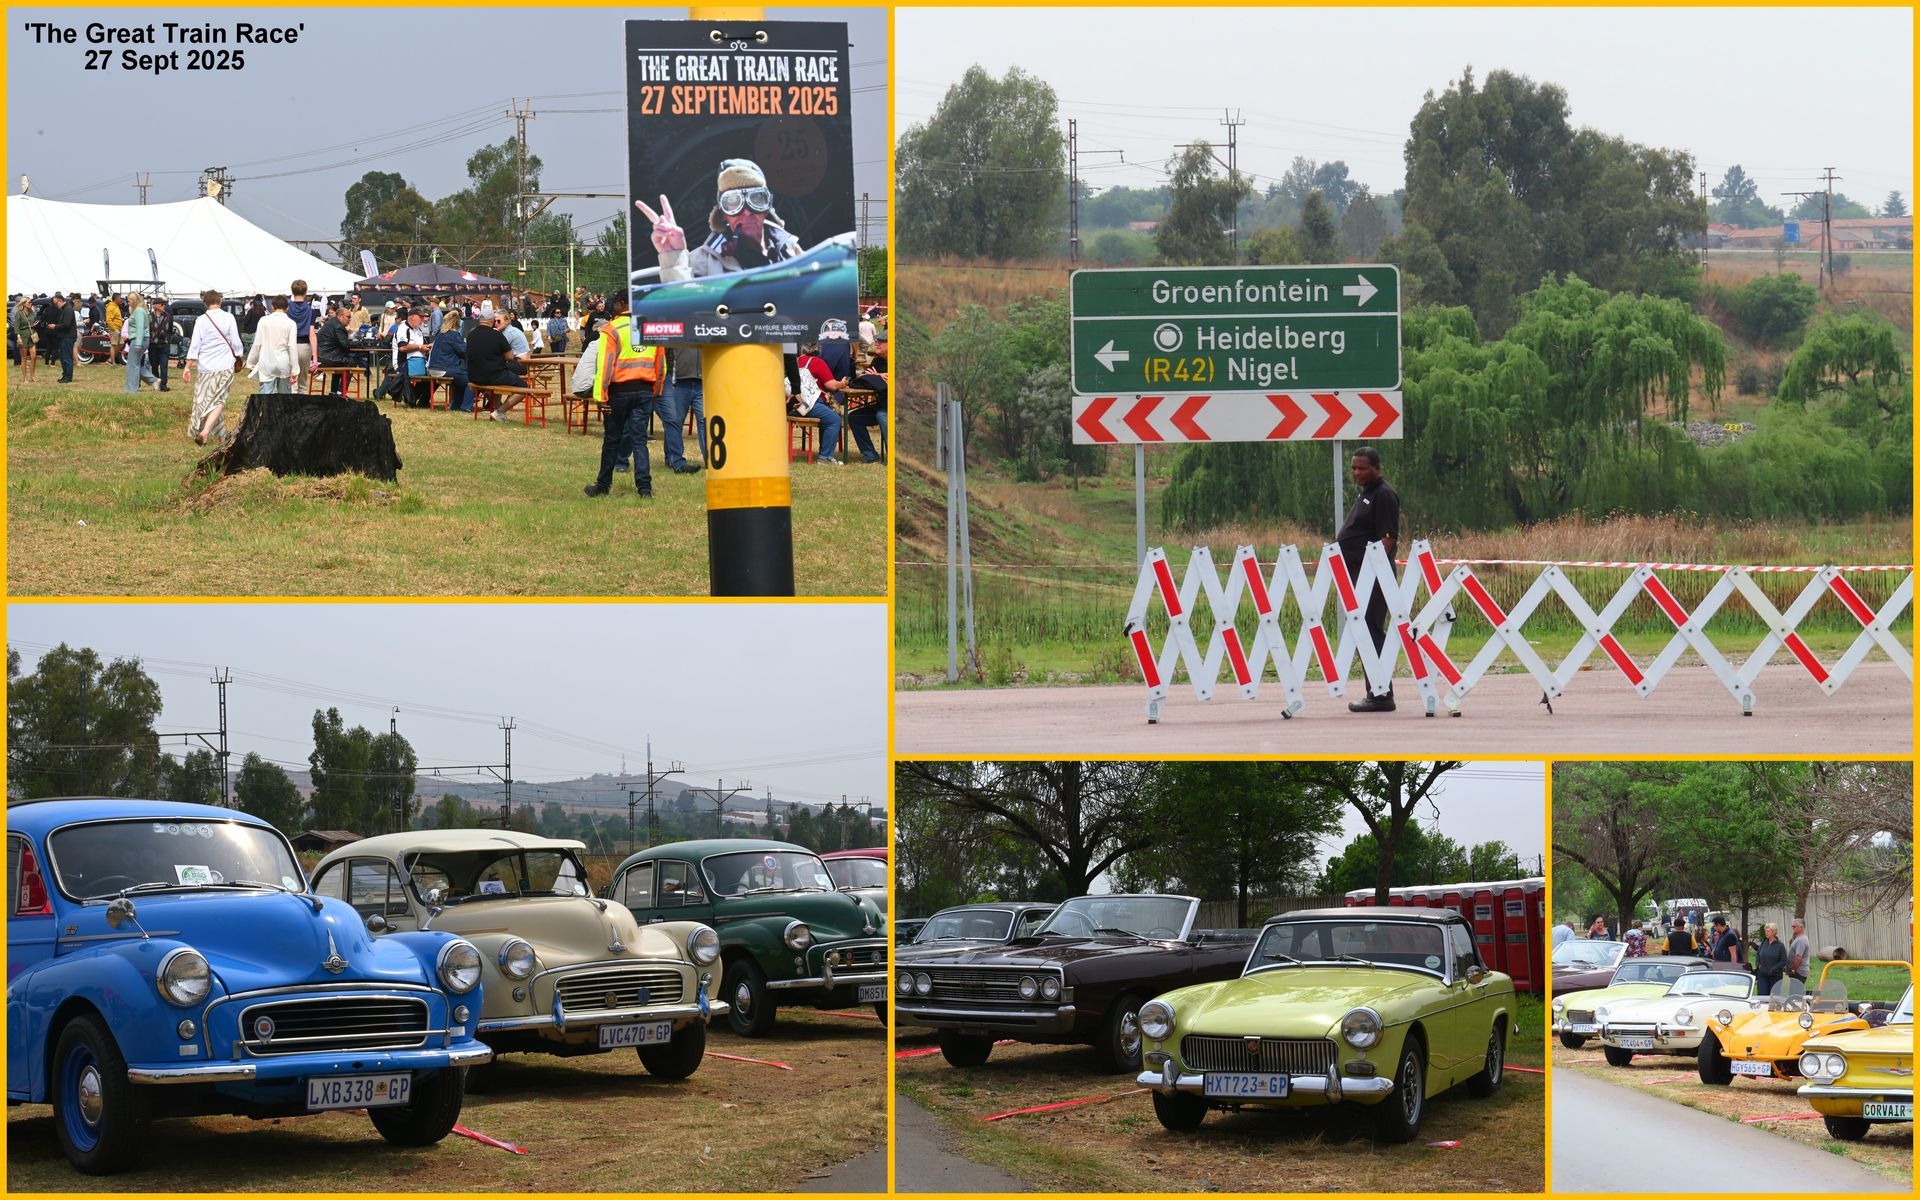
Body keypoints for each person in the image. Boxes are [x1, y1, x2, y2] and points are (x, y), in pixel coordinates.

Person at [636, 158, 802, 282]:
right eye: (733, 203)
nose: (746, 212)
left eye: (756, 200)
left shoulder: (791, 249)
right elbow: (682, 308)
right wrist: (674, 257)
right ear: (723, 214)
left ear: (766, 208)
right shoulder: (703, 261)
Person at [1337, 446, 1402, 712]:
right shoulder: (1367, 495)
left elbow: (1387, 538)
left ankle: (1381, 694)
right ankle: (1377, 691)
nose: (1357, 473)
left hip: (1374, 577)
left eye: (1362, 468)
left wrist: (1373, 572)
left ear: (1377, 467)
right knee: (1364, 631)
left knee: (1370, 631)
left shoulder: (1384, 495)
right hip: (1359, 575)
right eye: (1353, 468)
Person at [582, 294, 664, 499]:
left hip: (619, 392)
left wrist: (601, 396)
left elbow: (605, 364)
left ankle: (603, 486)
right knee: (639, 441)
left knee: (612, 440)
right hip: (645, 390)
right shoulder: (651, 326)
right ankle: (644, 488)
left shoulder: (612, 328)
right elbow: (661, 364)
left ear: (621, 304)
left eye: (615, 303)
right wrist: (657, 391)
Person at [183, 289, 244, 445]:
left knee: (208, 400)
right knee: (218, 401)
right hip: (225, 366)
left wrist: (188, 367)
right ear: (220, 302)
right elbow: (236, 341)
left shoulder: (201, 320)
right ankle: (205, 432)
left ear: (205, 304)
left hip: (205, 367)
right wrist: (239, 354)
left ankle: (221, 436)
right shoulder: (229, 317)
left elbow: (195, 345)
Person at [467, 305, 527, 420]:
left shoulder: (471, 334)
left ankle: (496, 409)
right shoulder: (497, 335)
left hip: (473, 376)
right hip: (493, 375)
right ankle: (499, 412)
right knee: (524, 387)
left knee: (497, 383)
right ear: (492, 321)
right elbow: (510, 357)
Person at [793, 340, 845, 465]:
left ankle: (824, 453)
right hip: (808, 404)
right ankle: (825, 457)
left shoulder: (795, 361)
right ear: (818, 350)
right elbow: (831, 385)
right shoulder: (817, 362)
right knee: (834, 420)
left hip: (793, 404)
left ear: (802, 349)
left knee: (827, 419)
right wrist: (843, 383)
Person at [659, 346, 707, 473]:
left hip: (702, 382)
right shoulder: (676, 327)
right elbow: (665, 351)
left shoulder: (705, 328)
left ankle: (710, 460)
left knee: (704, 421)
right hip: (678, 382)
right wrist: (670, 377)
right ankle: (672, 459)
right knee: (675, 421)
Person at [846, 340, 887, 463]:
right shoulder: (877, 361)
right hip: (882, 404)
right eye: (876, 341)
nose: (877, 343)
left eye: (881, 342)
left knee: (882, 415)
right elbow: (864, 378)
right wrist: (880, 376)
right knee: (854, 417)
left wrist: (878, 376)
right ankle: (870, 454)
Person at [426, 311, 470, 411]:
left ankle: (456, 406)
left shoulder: (439, 334)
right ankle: (466, 407)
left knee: (460, 380)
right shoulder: (454, 335)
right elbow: (464, 351)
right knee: (470, 380)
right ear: (458, 323)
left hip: (432, 368)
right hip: (444, 368)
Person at [315, 301, 362, 396]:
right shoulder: (338, 326)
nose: (350, 319)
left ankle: (334, 392)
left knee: (341, 363)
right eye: (348, 317)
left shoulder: (332, 322)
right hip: (328, 357)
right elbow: (345, 344)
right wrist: (360, 342)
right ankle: (341, 392)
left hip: (322, 355)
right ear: (340, 316)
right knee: (351, 362)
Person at [387, 307, 430, 405]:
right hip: (403, 363)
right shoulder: (403, 328)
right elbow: (402, 348)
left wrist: (428, 347)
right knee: (429, 377)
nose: (423, 320)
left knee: (435, 376)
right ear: (412, 317)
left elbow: (421, 346)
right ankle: (412, 397)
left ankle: (419, 399)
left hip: (418, 363)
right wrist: (420, 347)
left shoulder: (418, 330)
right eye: (420, 317)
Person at [120, 293, 162, 392]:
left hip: (139, 340)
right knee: (135, 365)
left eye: (129, 299)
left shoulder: (138, 311)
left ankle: (132, 390)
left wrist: (138, 343)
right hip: (140, 340)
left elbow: (140, 328)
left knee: (132, 366)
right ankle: (153, 381)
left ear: (134, 300)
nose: (128, 301)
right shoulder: (138, 310)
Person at [287, 279, 318, 393]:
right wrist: (315, 356)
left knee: (291, 381)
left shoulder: (287, 309)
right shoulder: (310, 310)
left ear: (292, 291)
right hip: (305, 346)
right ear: (305, 292)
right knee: (303, 383)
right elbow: (312, 334)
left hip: (290, 346)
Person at [38, 293, 77, 383]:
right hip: (64, 336)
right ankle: (65, 375)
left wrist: (55, 326)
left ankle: (68, 377)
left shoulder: (68, 309)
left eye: (56, 304)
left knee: (67, 357)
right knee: (63, 357)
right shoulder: (65, 309)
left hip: (68, 336)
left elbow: (66, 324)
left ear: (60, 301)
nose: (55, 306)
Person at [1753, 923, 1787, 998]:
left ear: (1774, 932)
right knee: (1762, 994)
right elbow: (1758, 955)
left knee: (1774, 997)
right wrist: (1758, 965)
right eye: (1765, 931)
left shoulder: (1780, 946)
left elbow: (1783, 961)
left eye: (1768, 931)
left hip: (1775, 975)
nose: (1766, 933)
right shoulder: (1764, 943)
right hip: (1762, 974)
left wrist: (1773, 969)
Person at [13, 292, 39, 381]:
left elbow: (32, 322)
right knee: (24, 358)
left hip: (32, 335)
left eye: (31, 302)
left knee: (34, 357)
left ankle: (32, 377)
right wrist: (18, 337)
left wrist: (34, 325)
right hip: (23, 336)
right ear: (24, 304)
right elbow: (16, 326)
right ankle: (24, 378)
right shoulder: (19, 313)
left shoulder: (32, 312)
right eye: (29, 302)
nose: (31, 304)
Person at [148, 298, 172, 391]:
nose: (164, 306)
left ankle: (163, 385)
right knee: (154, 365)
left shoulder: (168, 317)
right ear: (156, 305)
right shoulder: (149, 316)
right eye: (162, 304)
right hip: (153, 345)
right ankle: (156, 384)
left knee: (164, 365)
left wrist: (167, 340)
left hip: (164, 345)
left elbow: (170, 330)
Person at [1786, 917, 1811, 984]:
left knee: (1795, 993)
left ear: (1801, 927)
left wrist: (1793, 970)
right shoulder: (1798, 938)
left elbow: (1798, 958)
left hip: (1798, 972)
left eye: (1794, 926)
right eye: (1792, 926)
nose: (1792, 928)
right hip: (1797, 972)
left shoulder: (1801, 940)